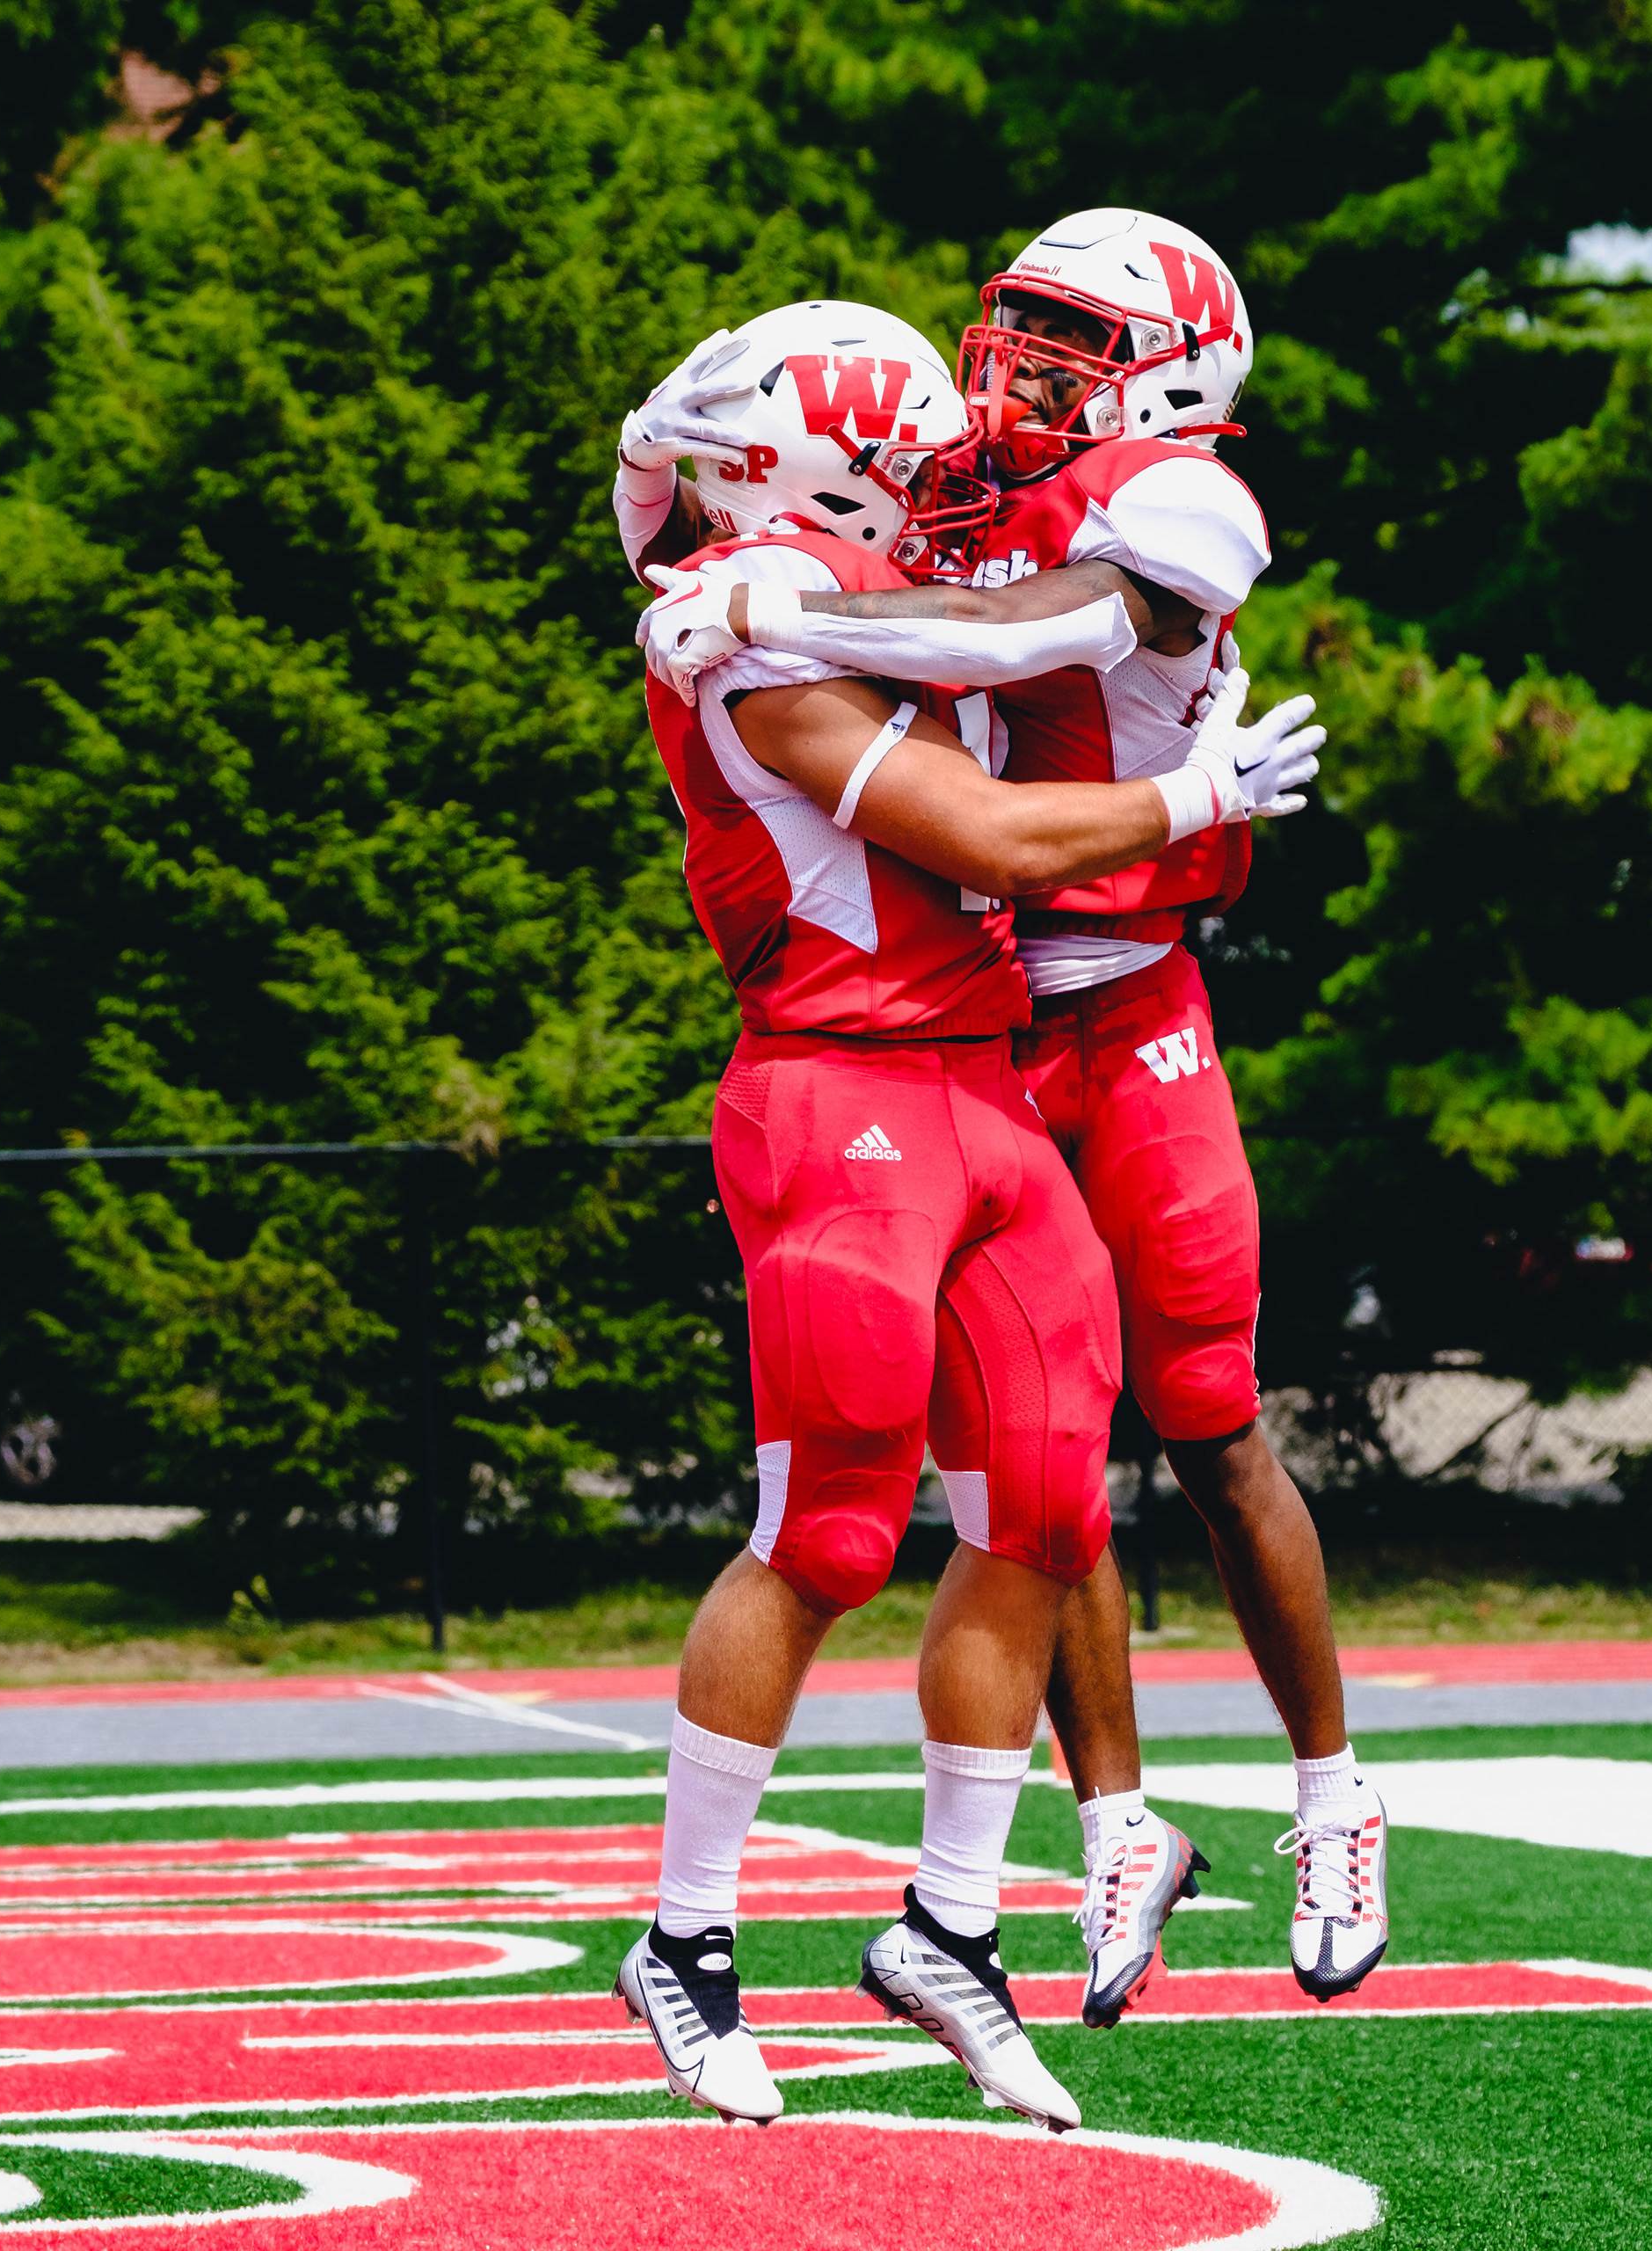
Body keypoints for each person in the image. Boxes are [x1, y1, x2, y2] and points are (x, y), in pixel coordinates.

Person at [618, 215, 1392, 2028]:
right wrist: (674, 504)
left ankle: (1333, 1791)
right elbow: (736, 498)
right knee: (1030, 1464)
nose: (1021, 364)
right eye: (1018, 322)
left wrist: (767, 610)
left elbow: (1008, 631)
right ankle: (1111, 1821)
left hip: (1127, 991)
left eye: (1073, 339)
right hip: (971, 1027)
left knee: (1206, 1412)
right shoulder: (953, 477)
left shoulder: (1180, 500)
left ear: (1177, 377)